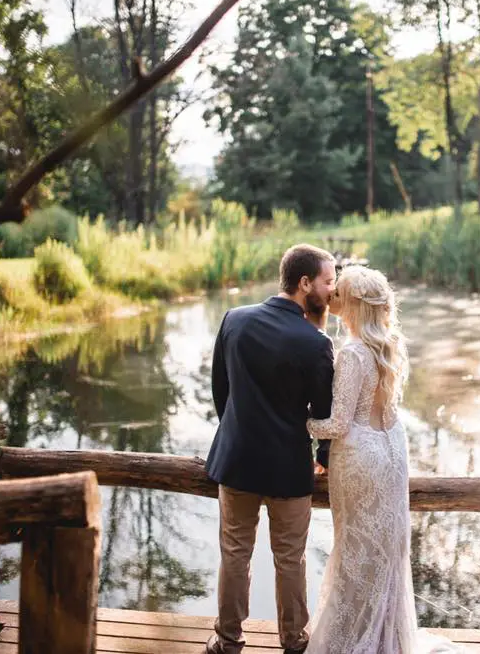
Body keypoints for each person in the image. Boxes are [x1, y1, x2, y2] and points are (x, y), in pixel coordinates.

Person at [305, 265, 460, 654]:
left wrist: (297, 420)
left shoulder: (354, 353)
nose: (331, 297)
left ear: (353, 304)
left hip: (360, 456)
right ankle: (386, 636)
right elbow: (386, 414)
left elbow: (338, 424)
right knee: (384, 548)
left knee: (355, 549)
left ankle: (354, 639)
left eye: (338, 293)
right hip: (390, 450)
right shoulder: (387, 345)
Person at [204, 244, 337, 654]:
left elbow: (221, 392)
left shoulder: (234, 320)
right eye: (328, 281)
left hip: (237, 461)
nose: (332, 290)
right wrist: (322, 459)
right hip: (288, 471)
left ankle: (227, 642)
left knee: (234, 555)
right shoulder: (315, 342)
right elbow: (325, 414)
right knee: (290, 561)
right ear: (304, 283)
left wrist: (239, 432)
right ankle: (294, 641)